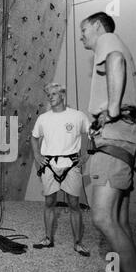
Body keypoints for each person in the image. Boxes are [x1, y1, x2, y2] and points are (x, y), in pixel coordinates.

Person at [80, 12, 136, 272]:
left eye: (83, 29)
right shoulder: (117, 41)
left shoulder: (107, 39)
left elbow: (115, 61)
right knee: (119, 220)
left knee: (102, 217)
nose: (82, 35)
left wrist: (112, 109)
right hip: (125, 138)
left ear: (97, 26)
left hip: (113, 139)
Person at [31, 83, 91, 257]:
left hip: (71, 164)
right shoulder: (43, 118)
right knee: (49, 202)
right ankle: (48, 238)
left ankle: (78, 243)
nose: (51, 97)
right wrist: (37, 156)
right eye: (49, 94)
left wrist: (86, 154)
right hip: (49, 164)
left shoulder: (78, 116)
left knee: (73, 203)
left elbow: (90, 134)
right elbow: (34, 138)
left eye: (55, 94)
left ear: (63, 95)